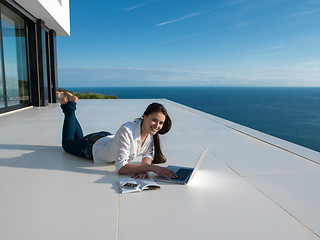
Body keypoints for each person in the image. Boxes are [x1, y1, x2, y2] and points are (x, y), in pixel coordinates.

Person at [56, 91, 177, 180]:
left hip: (105, 138)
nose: (157, 125)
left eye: (161, 122)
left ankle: (67, 104)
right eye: (154, 120)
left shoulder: (150, 135)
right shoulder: (127, 129)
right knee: (67, 144)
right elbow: (121, 168)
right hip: (91, 146)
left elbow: (147, 155)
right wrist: (152, 168)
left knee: (78, 138)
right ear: (145, 116)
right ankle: (70, 105)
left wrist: (144, 168)